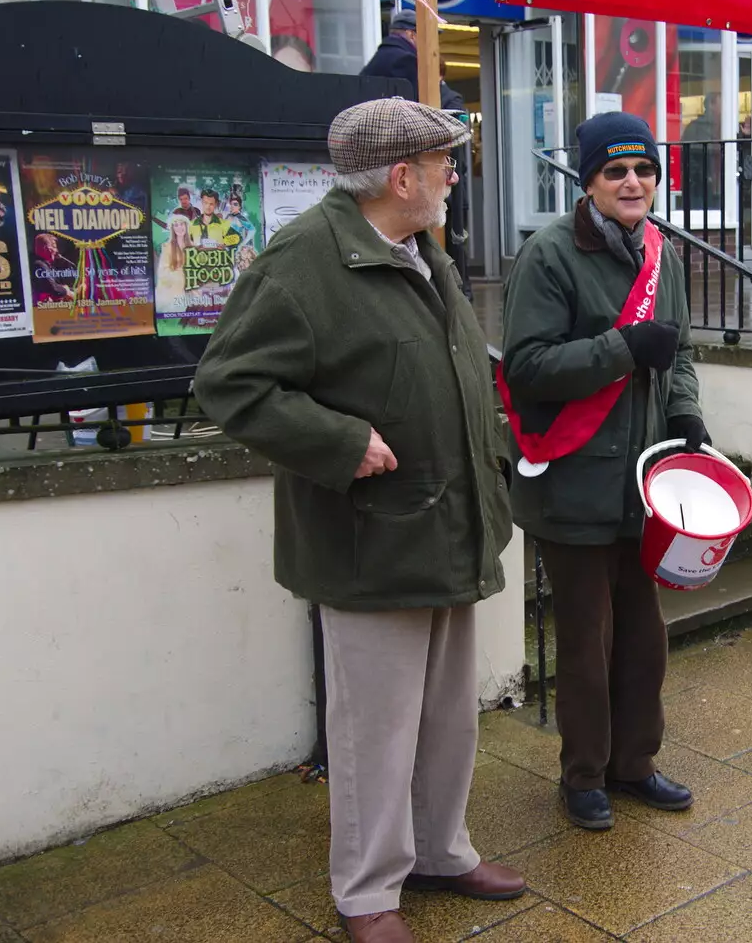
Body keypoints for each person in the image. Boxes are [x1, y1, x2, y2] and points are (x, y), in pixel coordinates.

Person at [194, 97, 523, 943]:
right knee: (375, 729)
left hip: (450, 524)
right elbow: (229, 383)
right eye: (444, 162)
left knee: (449, 714)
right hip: (370, 538)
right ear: (402, 175)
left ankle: (441, 851)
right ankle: (369, 893)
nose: (455, 174)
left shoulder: (421, 250)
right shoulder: (303, 262)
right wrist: (340, 441)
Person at [500, 112, 704, 830]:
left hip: (643, 484)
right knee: (587, 638)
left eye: (644, 170)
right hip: (573, 477)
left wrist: (685, 415)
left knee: (644, 635)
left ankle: (634, 764)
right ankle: (582, 774)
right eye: (616, 171)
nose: (633, 182)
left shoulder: (663, 255)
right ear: (588, 181)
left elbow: (678, 353)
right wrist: (621, 347)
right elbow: (526, 367)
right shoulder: (550, 255)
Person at [363, 9, 474, 297]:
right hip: (410, 185)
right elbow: (445, 115)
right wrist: (447, 93)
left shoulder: (373, 65)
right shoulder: (407, 63)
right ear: (414, 35)